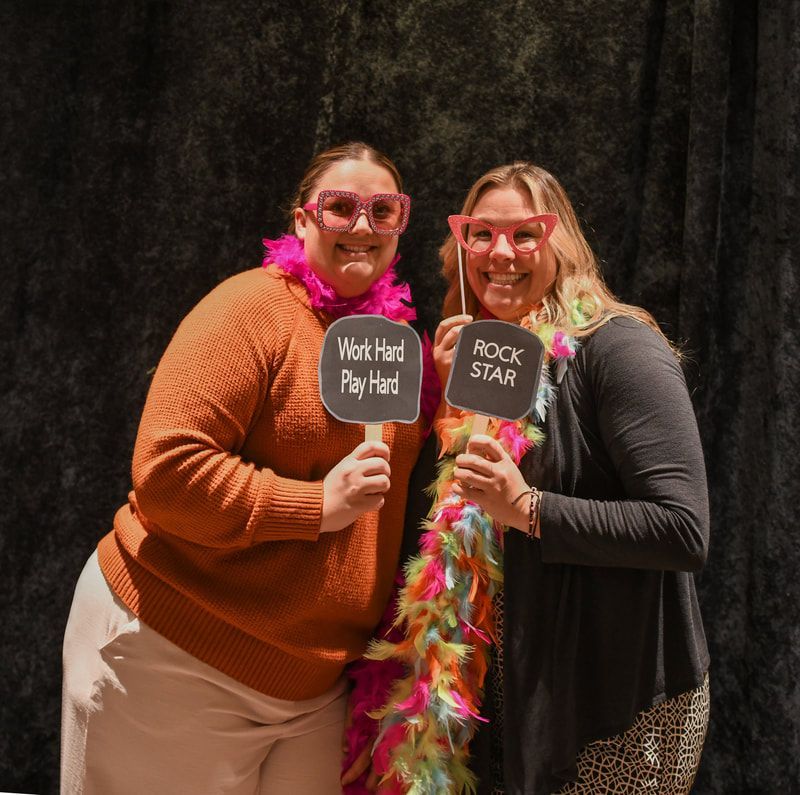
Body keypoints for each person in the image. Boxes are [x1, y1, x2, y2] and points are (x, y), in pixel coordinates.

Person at [60, 141, 431, 795]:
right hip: (179, 651)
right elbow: (168, 471)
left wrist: (443, 395)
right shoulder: (251, 310)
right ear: (301, 221)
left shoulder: (394, 345)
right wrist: (316, 505)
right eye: (340, 207)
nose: (362, 225)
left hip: (312, 687)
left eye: (383, 209)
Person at [362, 162, 710, 794]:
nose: (502, 253)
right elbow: (439, 544)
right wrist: (440, 405)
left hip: (610, 711)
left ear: (561, 244)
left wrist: (528, 506)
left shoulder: (618, 348)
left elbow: (683, 528)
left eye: (525, 234)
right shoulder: (479, 364)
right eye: (481, 234)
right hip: (510, 714)